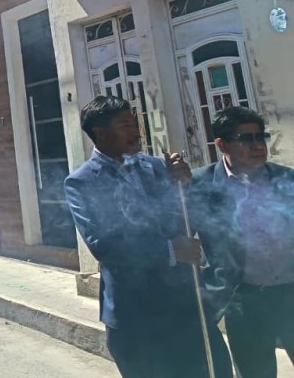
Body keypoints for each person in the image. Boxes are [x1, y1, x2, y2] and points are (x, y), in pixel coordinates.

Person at [63, 95, 232, 378]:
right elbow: (103, 246)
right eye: (125, 125)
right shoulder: (83, 182)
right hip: (136, 316)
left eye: (135, 123)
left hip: (183, 304)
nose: (135, 131)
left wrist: (184, 186)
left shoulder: (156, 167)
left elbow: (183, 223)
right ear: (100, 133)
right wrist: (169, 250)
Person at [189, 106, 294, 378]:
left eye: (261, 137)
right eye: (246, 139)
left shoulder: (285, 179)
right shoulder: (200, 185)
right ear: (222, 144)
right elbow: (178, 233)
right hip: (243, 300)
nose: (258, 146)